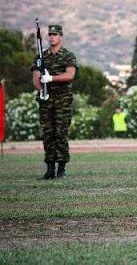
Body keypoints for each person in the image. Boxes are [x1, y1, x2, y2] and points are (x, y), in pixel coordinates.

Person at [31, 24, 77, 180]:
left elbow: (70, 75)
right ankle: (50, 169)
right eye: (50, 34)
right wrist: (42, 89)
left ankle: (61, 169)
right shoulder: (41, 57)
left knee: (61, 134)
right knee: (48, 134)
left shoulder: (68, 56)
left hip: (63, 101)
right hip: (46, 101)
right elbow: (35, 78)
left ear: (60, 37)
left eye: (55, 34)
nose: (52, 37)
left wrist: (51, 78)